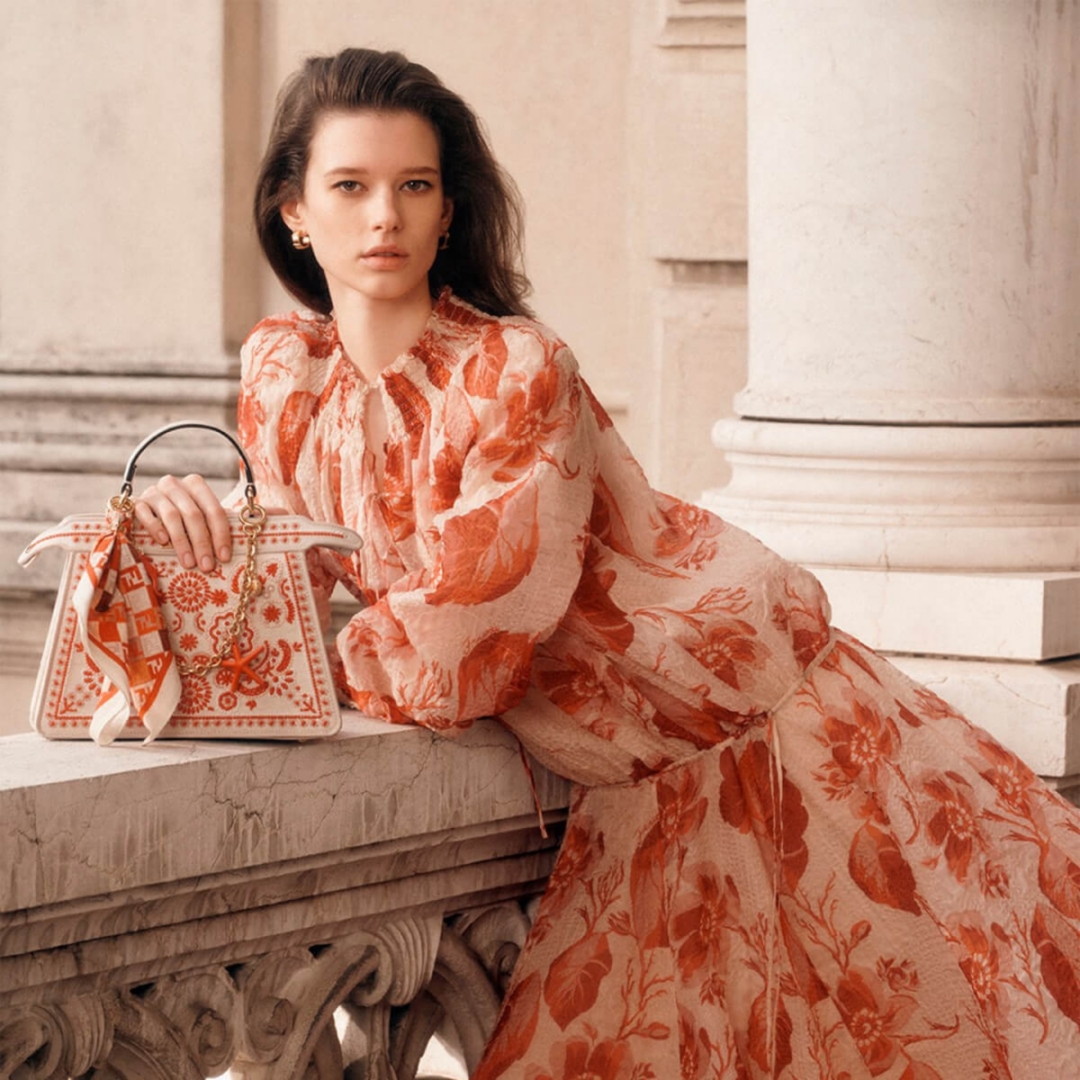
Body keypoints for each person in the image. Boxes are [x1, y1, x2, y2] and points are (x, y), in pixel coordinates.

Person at [135, 47, 1080, 1078]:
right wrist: (182, 527)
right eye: (351, 187)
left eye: (415, 186)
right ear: (293, 211)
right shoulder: (283, 371)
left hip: (738, 715)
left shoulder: (515, 370)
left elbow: (458, 653)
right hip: (630, 762)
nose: (384, 218)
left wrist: (313, 652)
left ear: (448, 212)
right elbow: (280, 585)